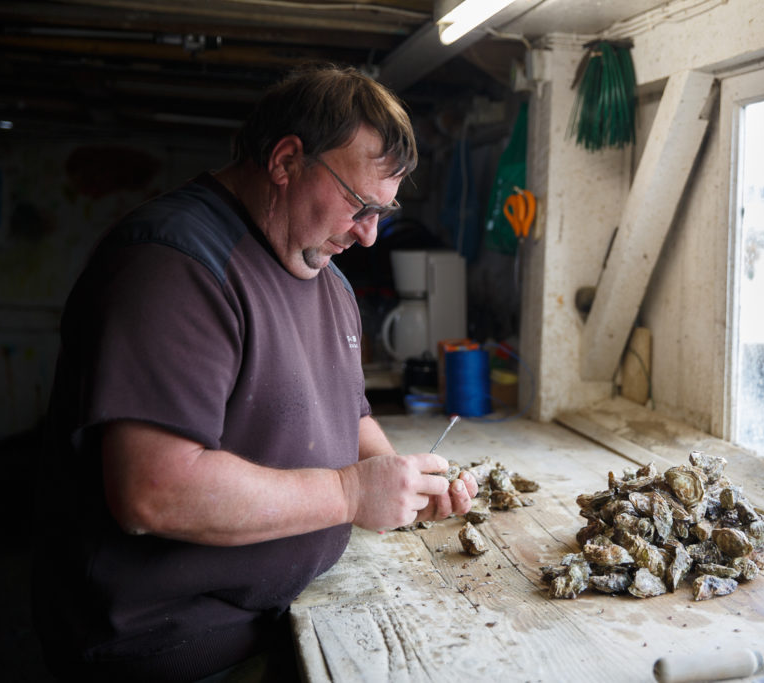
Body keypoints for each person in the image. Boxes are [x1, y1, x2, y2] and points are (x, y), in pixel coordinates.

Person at [30, 63, 478, 682]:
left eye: (385, 210)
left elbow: (347, 413)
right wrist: (350, 494)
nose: (371, 235)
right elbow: (154, 490)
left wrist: (401, 482)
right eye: (359, 203)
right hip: (169, 651)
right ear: (287, 161)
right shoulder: (174, 264)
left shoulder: (325, 275)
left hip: (272, 618)